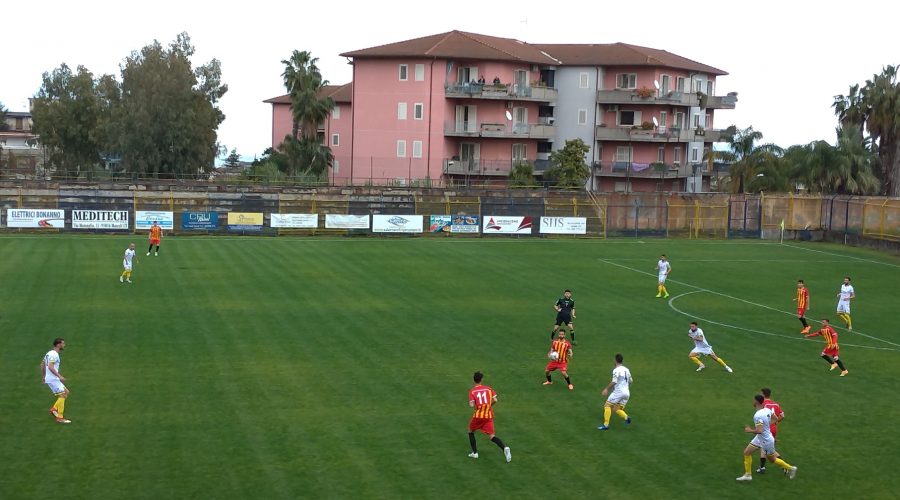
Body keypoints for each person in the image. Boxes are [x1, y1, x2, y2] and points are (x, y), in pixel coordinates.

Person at [736, 394, 797, 481]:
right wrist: (766, 425)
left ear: (756, 402)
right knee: (747, 453)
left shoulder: (758, 415)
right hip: (760, 438)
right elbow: (776, 419)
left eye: (754, 400)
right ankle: (748, 475)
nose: (753, 402)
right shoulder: (767, 410)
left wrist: (749, 430)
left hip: (766, 440)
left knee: (772, 460)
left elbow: (759, 430)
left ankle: (791, 468)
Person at [467, 371, 511, 462]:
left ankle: (475, 453)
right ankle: (505, 448)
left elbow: (471, 405)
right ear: (481, 380)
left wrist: (475, 405)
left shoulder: (472, 391)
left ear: (474, 380)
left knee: (470, 431)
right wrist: (489, 405)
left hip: (478, 416)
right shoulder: (488, 389)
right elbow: (495, 400)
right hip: (488, 415)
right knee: (492, 436)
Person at [598, 353, 632, 430]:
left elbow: (614, 381)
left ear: (615, 361)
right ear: (622, 361)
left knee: (607, 406)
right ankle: (626, 417)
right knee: (617, 409)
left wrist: (606, 389)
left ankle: (606, 425)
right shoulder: (627, 369)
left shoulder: (616, 370)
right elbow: (631, 381)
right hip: (627, 393)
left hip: (619, 392)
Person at [40, 338, 71, 424]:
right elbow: (50, 366)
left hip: (51, 378)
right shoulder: (54, 355)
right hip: (53, 379)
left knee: (66, 392)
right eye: (63, 343)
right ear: (58, 344)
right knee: (63, 395)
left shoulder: (49, 353)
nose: (64, 345)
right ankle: (60, 418)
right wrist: (59, 376)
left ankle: (53, 409)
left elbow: (42, 365)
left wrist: (43, 377)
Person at [757, 388, 785, 474]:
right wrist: (775, 422)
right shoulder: (776, 404)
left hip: (766, 429)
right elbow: (782, 415)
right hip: (773, 429)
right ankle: (762, 468)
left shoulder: (763, 404)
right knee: (763, 447)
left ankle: (785, 466)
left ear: (763, 394)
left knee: (770, 450)